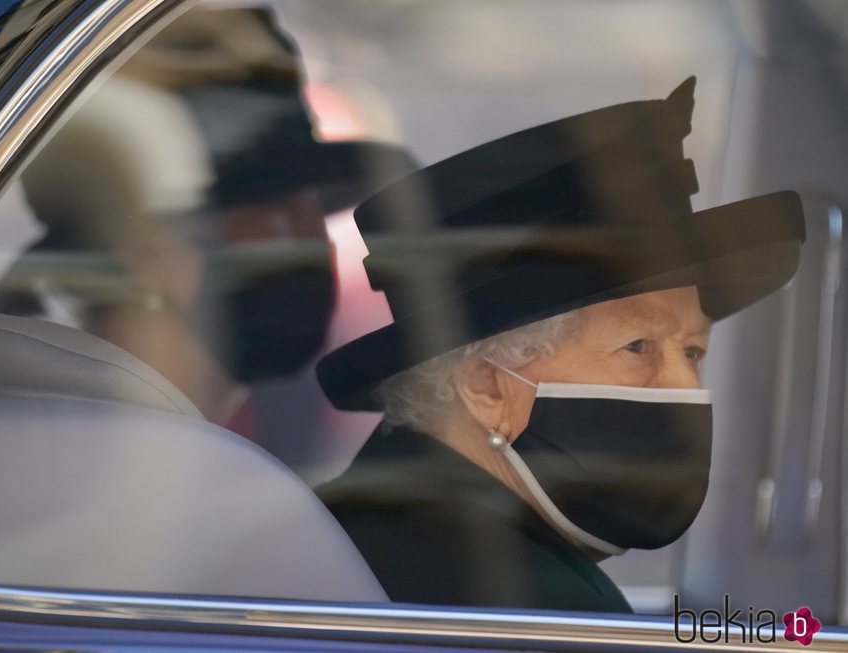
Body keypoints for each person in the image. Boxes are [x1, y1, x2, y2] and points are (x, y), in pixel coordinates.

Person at [316, 77, 805, 612]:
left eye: (692, 352)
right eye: (639, 346)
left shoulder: (375, 525)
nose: (685, 387)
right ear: (487, 385)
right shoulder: (520, 604)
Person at [0, 6, 413, 424]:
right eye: (276, 208)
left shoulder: (194, 436)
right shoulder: (121, 451)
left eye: (312, 205)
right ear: (145, 255)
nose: (311, 235)